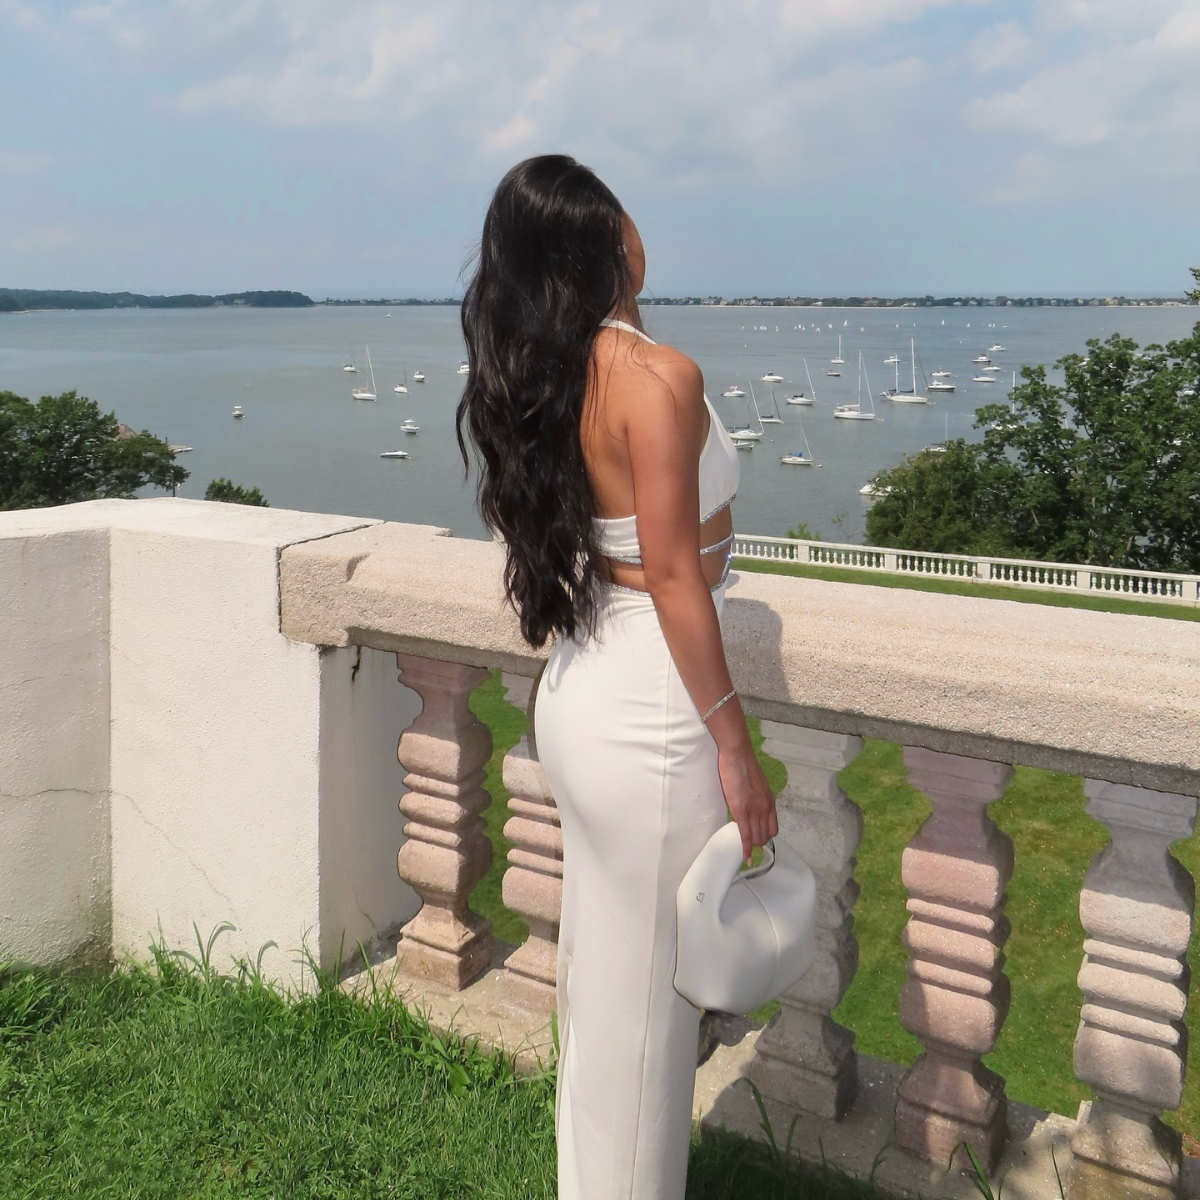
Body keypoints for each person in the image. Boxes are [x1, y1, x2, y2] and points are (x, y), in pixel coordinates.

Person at [456, 154, 778, 1200]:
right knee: (645, 1028)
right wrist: (735, 744)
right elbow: (678, 570)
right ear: (607, 241)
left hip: (588, 685)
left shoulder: (552, 375)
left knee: (606, 998)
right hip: (653, 704)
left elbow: (615, 545)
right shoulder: (655, 375)